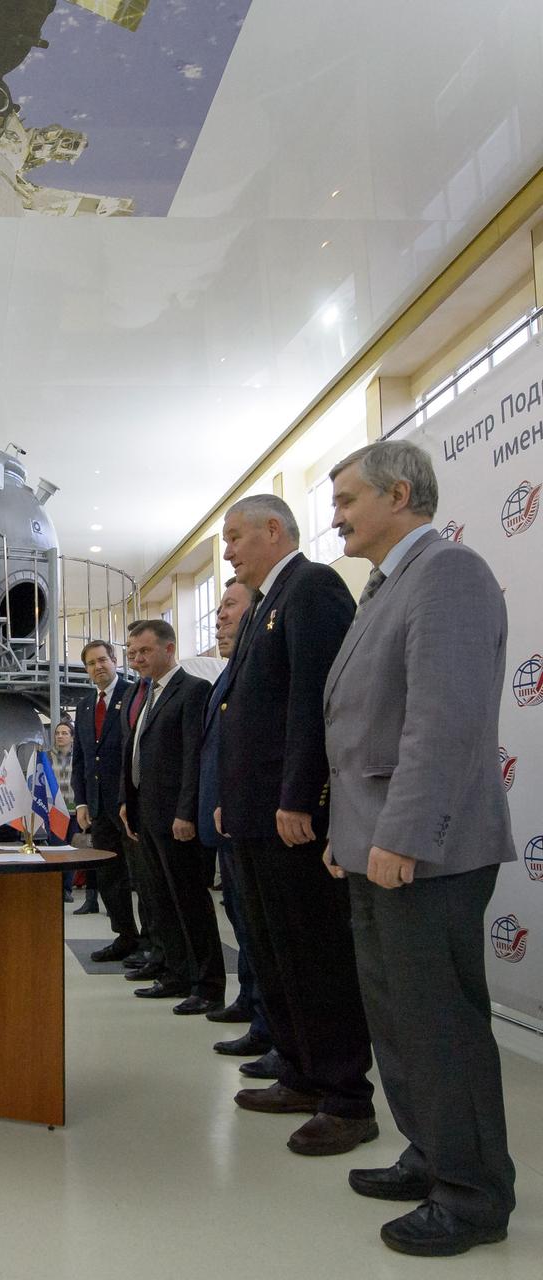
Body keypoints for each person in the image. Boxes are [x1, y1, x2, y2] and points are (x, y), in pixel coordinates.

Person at [323, 440, 515, 1257]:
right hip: (372, 845)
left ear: (399, 494)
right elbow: (364, 727)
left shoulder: (448, 574)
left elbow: (443, 723)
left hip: (425, 853)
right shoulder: (384, 588)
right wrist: (348, 834)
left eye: (347, 499)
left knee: (441, 1029)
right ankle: (431, 1154)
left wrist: (401, 834)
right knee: (396, 1020)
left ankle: (473, 1198)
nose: (336, 515)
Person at [217, 493, 376, 1157]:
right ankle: (301, 1072)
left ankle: (345, 1098)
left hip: (292, 818)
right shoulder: (265, 605)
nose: (228, 552)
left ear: (274, 531)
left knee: (315, 956)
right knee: (274, 951)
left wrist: (301, 797)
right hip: (255, 816)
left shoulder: (312, 588)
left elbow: (318, 702)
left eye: (235, 538)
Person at [119, 620, 224, 1014]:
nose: (137, 659)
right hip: (146, 813)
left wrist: (186, 811)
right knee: (160, 898)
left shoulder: (192, 690)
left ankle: (208, 985)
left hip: (176, 817)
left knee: (189, 901)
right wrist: (128, 800)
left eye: (144, 651)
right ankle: (176, 974)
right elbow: (138, 751)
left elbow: (194, 756)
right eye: (132, 653)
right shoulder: (147, 694)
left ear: (169, 648)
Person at [200, 579, 276, 1062]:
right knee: (241, 918)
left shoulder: (254, 672)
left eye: (230, 606)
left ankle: (269, 1024)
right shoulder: (227, 677)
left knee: (259, 926)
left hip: (253, 816)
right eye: (219, 609)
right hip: (229, 817)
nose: (220, 619)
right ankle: (250, 1001)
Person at [70, 640, 141, 963]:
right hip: (98, 807)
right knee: (110, 876)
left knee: (141, 876)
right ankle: (125, 936)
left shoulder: (134, 694)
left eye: (102, 660)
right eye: (91, 663)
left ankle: (152, 942)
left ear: (115, 660)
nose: (97, 667)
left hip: (129, 804)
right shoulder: (85, 705)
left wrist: (130, 796)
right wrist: (81, 802)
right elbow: (81, 758)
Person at [47, 721, 81, 899]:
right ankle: (57, 888)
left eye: (65, 733)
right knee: (58, 850)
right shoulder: (47, 756)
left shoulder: (79, 756)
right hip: (56, 811)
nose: (60, 736)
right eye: (57, 733)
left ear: (72, 737)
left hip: (76, 810)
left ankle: (67, 888)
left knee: (72, 850)